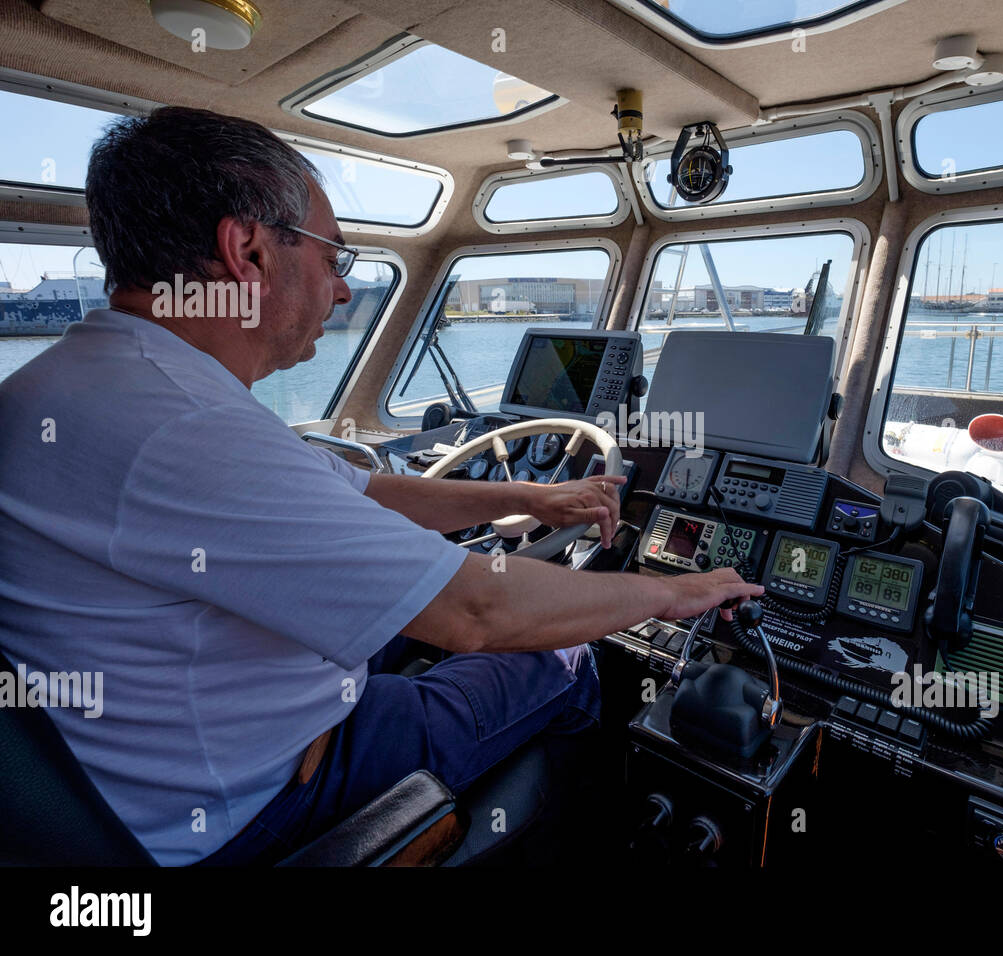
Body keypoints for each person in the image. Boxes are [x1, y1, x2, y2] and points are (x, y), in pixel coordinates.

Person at [0, 106, 762, 866]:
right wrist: (671, 594)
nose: (339, 290)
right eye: (335, 257)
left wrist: (529, 499)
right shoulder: (187, 428)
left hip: (129, 774)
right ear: (248, 253)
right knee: (567, 661)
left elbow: (365, 491)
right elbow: (479, 612)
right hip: (258, 800)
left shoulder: (76, 385)